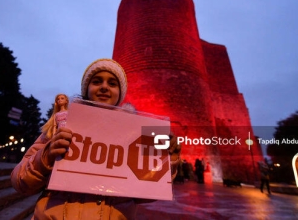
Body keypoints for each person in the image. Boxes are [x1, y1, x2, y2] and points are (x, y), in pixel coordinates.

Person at [11, 58, 180, 220]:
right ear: (86, 89)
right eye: (97, 81)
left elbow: (146, 194)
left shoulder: (135, 134)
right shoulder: (61, 126)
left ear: (120, 93)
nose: (104, 87)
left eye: (112, 83)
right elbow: (20, 181)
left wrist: (167, 159)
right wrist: (46, 156)